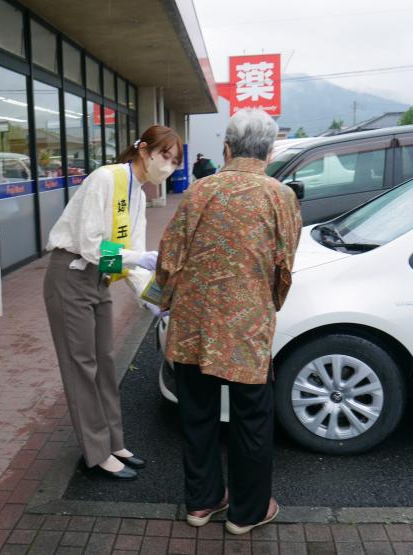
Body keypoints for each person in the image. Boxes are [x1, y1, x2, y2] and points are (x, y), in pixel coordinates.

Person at [155, 109, 302, 533]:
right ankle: (247, 512)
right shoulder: (280, 196)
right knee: (251, 419)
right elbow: (285, 265)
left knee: (197, 415)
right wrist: (267, 303)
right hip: (246, 329)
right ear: (270, 152)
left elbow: (170, 257)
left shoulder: (201, 191)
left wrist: (165, 296)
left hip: (194, 326)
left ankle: (201, 504)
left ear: (226, 148)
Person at [44, 125, 182, 480]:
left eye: (173, 162)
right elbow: (91, 247)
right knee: (82, 367)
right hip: (71, 274)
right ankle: (96, 452)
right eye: (164, 157)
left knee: (105, 363)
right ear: (144, 150)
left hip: (99, 277)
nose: (167, 166)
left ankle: (113, 442)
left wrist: (155, 300)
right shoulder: (105, 179)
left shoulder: (138, 193)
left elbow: (130, 259)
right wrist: (138, 259)